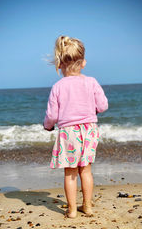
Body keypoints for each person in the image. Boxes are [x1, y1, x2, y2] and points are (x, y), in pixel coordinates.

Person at [44, 35, 108, 218]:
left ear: (59, 65)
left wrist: (48, 126)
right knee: (85, 170)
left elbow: (52, 115)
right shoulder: (92, 82)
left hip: (68, 133)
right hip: (89, 130)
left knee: (70, 172)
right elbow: (103, 106)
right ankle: (87, 206)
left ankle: (72, 210)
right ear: (83, 63)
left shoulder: (58, 86)